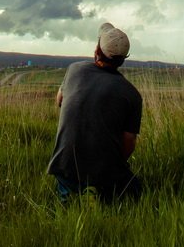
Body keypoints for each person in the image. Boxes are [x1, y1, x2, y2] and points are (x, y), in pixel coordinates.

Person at [47, 23, 142, 203]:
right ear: (123, 59)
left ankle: (74, 195)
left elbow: (59, 100)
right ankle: (97, 193)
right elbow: (129, 142)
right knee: (135, 191)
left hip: (65, 166)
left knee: (69, 189)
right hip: (105, 171)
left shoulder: (75, 69)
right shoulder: (132, 94)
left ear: (97, 51)